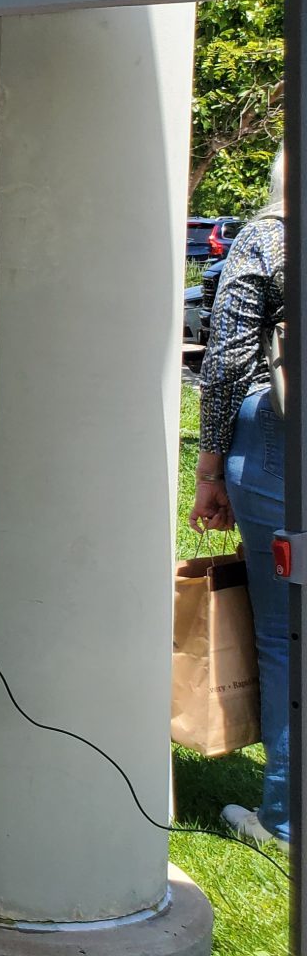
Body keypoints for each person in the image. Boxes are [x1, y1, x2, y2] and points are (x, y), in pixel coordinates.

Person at [191, 156, 291, 846]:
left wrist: (210, 467)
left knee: (287, 632)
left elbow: (227, 359)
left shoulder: (268, 237)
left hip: (278, 443)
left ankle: (286, 817)